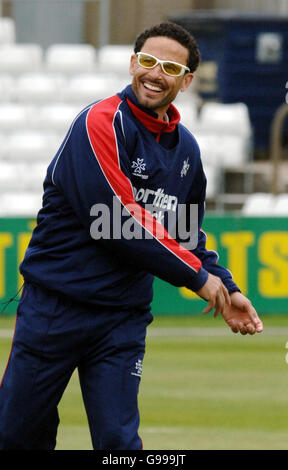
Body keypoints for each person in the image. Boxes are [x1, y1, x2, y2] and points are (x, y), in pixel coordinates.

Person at [0, 22, 263, 450]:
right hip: (56, 308)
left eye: (170, 67)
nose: (155, 74)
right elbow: (114, 220)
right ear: (131, 63)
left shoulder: (187, 151)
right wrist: (197, 278)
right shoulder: (99, 122)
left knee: (120, 444)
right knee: (16, 436)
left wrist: (225, 284)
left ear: (187, 79)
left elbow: (185, 233)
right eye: (147, 62)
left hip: (122, 318)